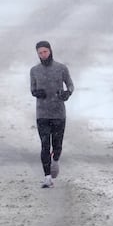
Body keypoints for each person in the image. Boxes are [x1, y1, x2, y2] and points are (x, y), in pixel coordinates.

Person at [30, 40, 74, 188]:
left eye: (45, 51)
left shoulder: (61, 68)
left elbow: (70, 85)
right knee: (44, 145)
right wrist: (36, 92)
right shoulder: (34, 70)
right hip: (42, 113)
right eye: (40, 53)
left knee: (57, 146)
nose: (43, 55)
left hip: (58, 114)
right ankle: (47, 177)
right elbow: (32, 88)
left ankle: (55, 159)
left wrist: (67, 93)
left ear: (50, 51)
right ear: (37, 54)